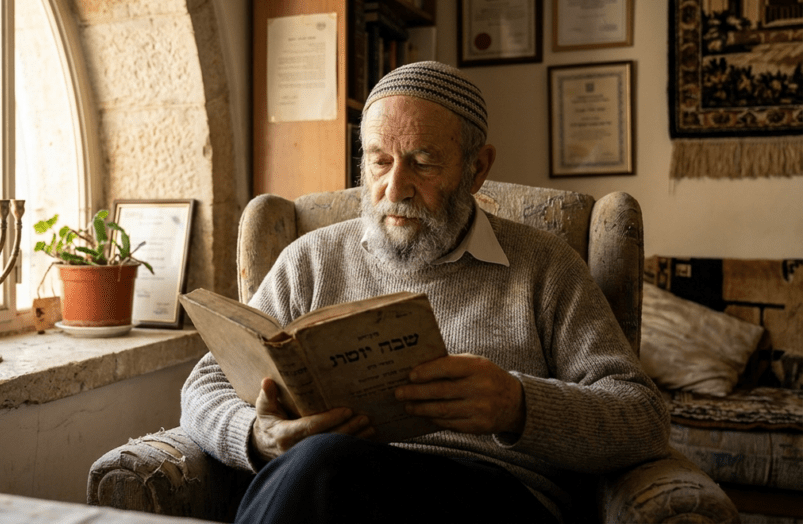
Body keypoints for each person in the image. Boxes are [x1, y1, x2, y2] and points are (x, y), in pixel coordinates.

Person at [180, 61, 669, 523]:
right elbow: (204, 386)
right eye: (380, 162)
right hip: (328, 490)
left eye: (423, 162)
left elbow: (643, 418)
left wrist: (518, 405)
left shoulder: (545, 265)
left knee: (323, 466)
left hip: (491, 497)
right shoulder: (310, 259)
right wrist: (257, 436)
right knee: (322, 465)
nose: (395, 188)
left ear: (478, 168)